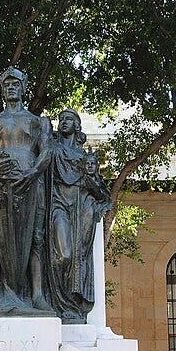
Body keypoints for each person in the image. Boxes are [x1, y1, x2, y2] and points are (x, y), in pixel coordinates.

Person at [0, 66, 54, 315]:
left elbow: (46, 151)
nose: (11, 87)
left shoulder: (38, 122)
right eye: (7, 84)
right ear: (2, 89)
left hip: (31, 181)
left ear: (23, 87)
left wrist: (33, 172)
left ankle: (38, 295)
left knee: (36, 237)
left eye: (15, 84)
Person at [48, 108, 111, 323]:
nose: (64, 122)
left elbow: (100, 192)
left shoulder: (85, 158)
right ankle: (58, 300)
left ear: (76, 125)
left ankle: (72, 305)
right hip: (58, 206)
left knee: (79, 255)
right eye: (61, 119)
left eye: (68, 119)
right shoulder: (52, 150)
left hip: (81, 208)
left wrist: (90, 180)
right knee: (63, 254)